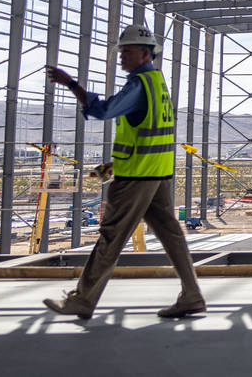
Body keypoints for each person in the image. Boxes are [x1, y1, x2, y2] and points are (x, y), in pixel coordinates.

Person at [42, 25, 205, 320]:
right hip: (157, 175)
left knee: (111, 237)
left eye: (126, 51)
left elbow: (104, 111)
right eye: (120, 52)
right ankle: (191, 295)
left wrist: (71, 84)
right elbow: (147, 133)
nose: (121, 57)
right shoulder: (158, 84)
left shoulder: (139, 85)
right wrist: (115, 164)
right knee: (171, 235)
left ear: (145, 54)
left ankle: (82, 300)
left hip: (136, 180)